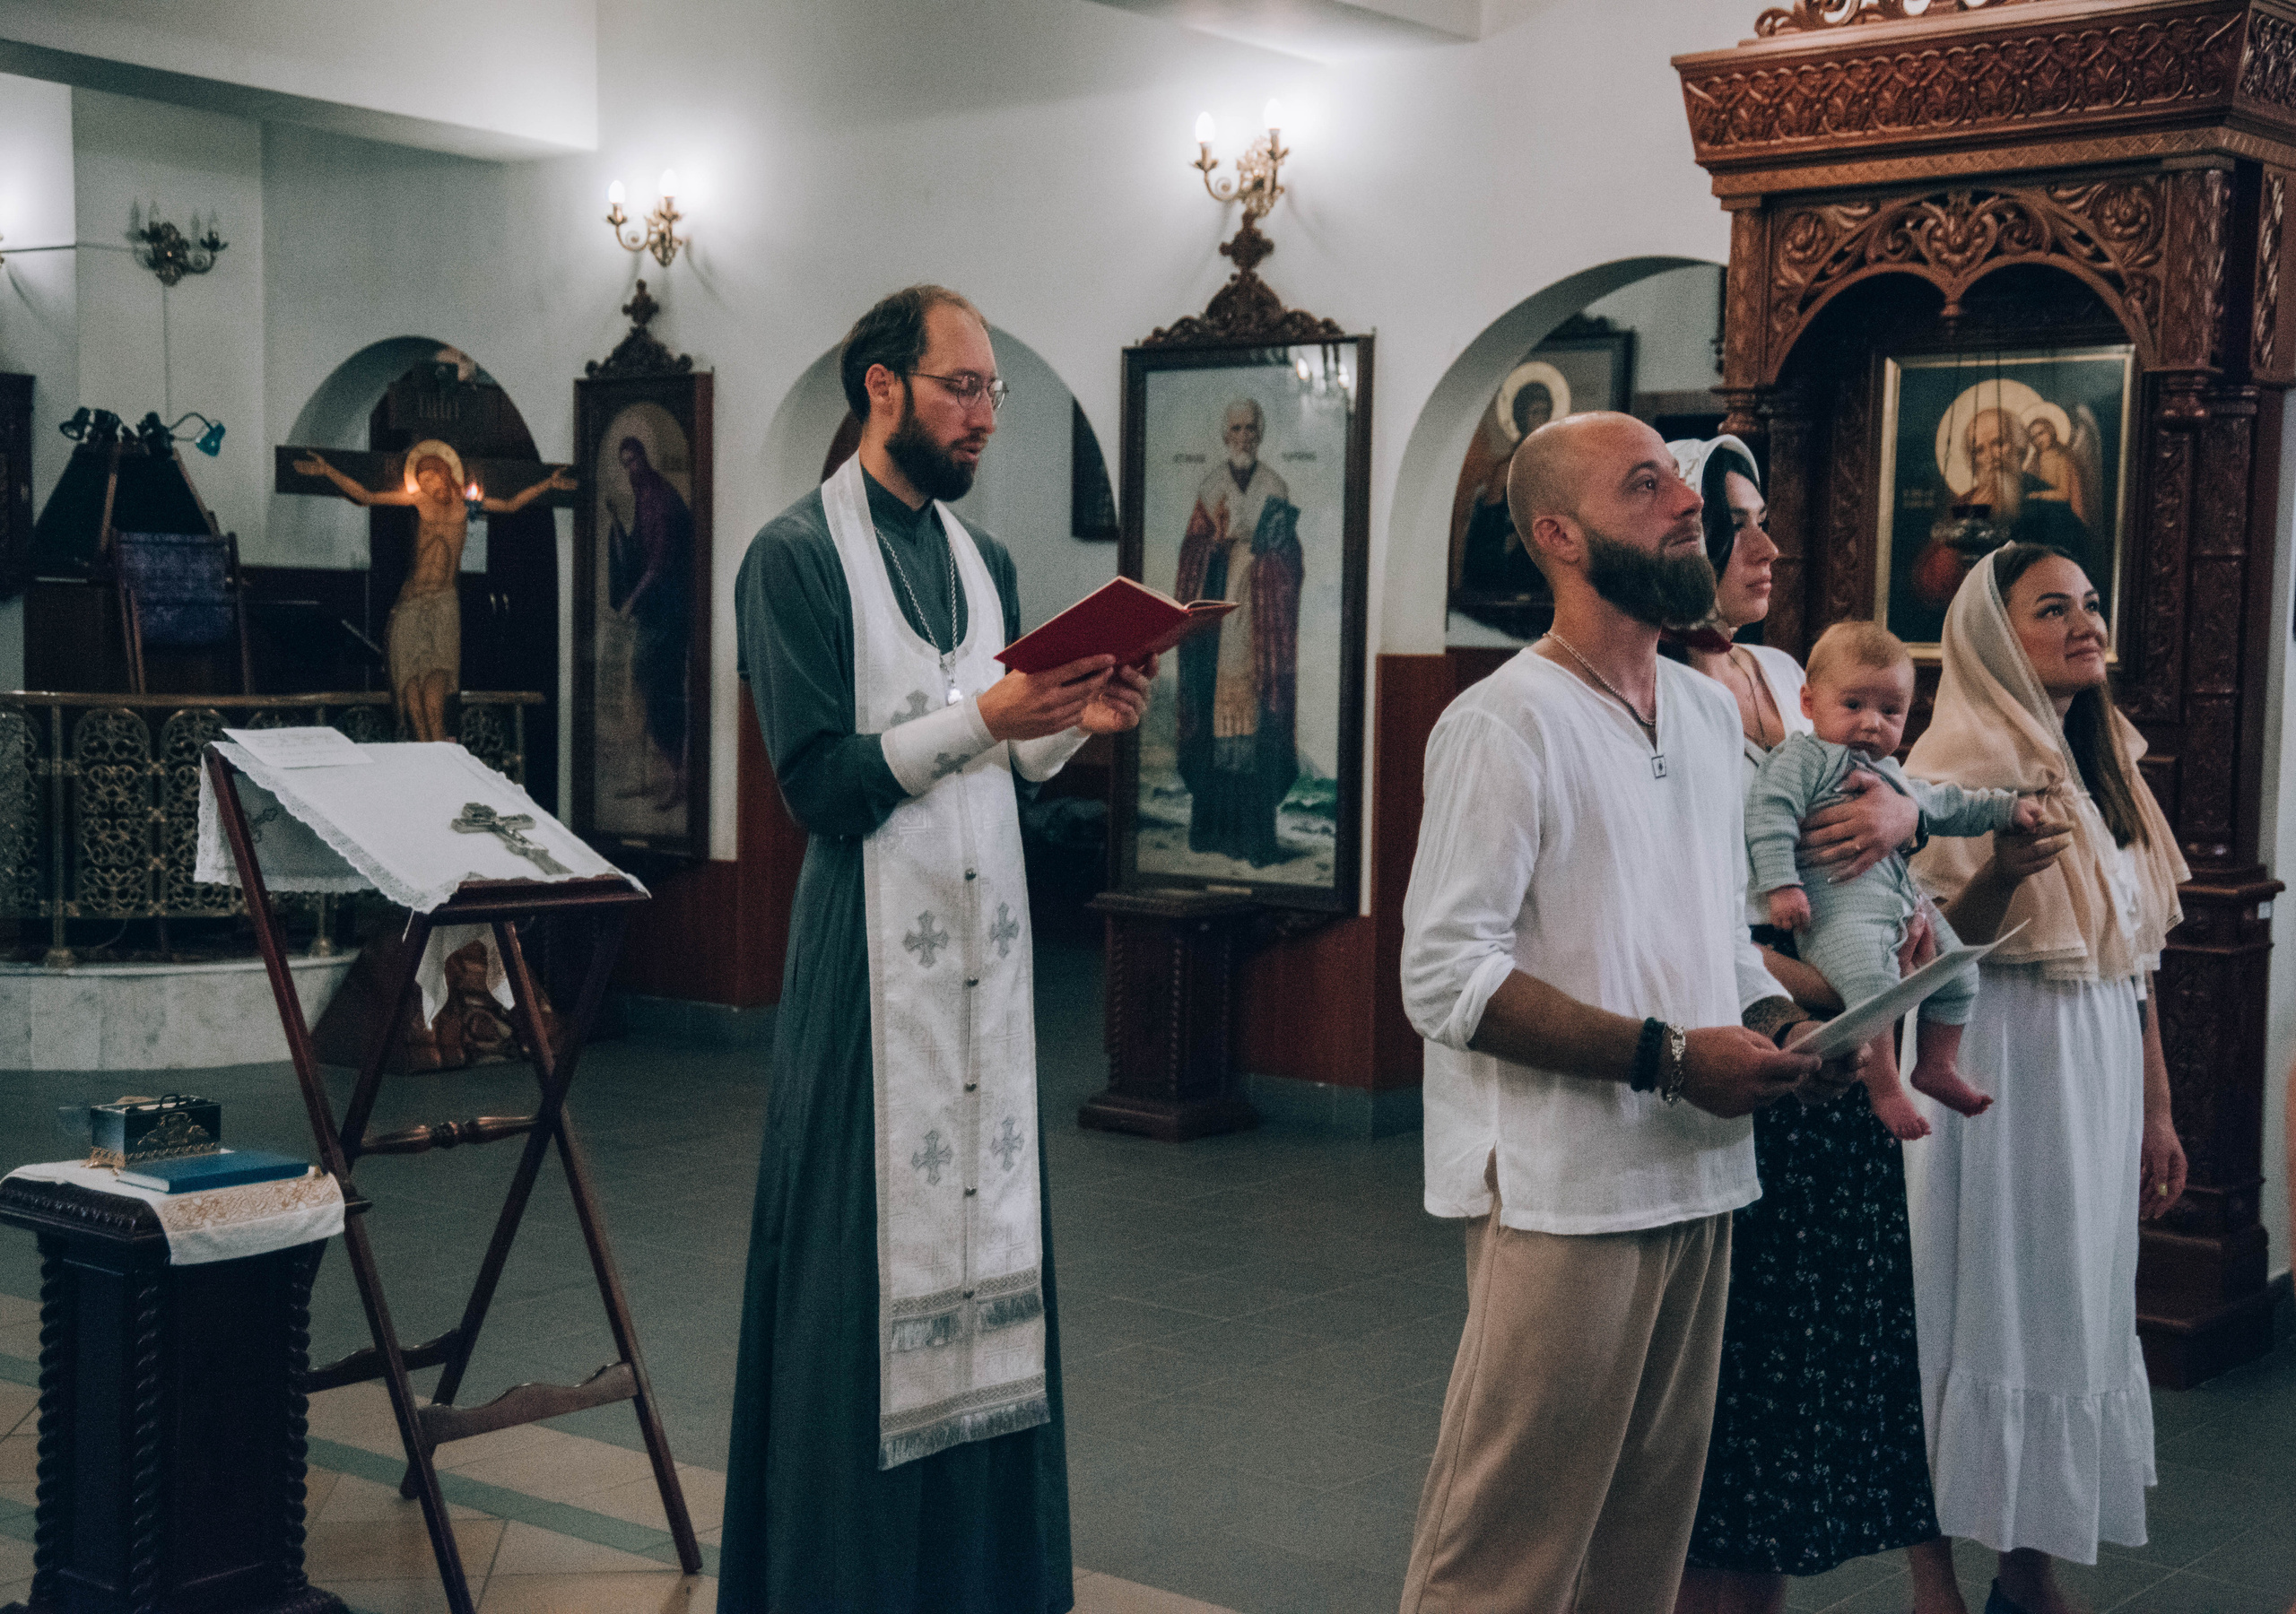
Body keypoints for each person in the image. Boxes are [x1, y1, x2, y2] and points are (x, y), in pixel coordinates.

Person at [718, 284, 1153, 1614]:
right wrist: (991, 716)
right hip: (868, 974)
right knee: (858, 1275)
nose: (984, 415)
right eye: (962, 387)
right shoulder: (793, 557)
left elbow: (1002, 758)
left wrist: (1075, 721)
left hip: (984, 975)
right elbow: (821, 786)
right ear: (882, 386)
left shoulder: (984, 560)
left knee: (991, 1257)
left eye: (991, 392)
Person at [1397, 412, 1866, 1612]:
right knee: (1502, 1559)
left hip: (1700, 1174)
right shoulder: (1504, 720)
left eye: (1679, 483)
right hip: (1564, 1192)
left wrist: (1774, 1024)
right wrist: (1668, 1057)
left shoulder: (1707, 715)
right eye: (1644, 485)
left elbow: (1709, 933)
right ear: (1560, 534)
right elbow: (1444, 977)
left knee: (1642, 1553)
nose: (1688, 503)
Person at [1663, 434, 1952, 1614]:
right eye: (1736, 525)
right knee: (1739, 1386)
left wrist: (1904, 847)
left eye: (1763, 520)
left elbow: (1874, 819)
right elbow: (1694, 904)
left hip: (1840, 1063)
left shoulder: (1789, 673)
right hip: (1756, 1048)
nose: (1768, 546)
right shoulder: (1663, 693)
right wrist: (1826, 985)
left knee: (1807, 1386)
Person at [1901, 542, 2187, 1614]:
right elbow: (1920, 950)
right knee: (1964, 1299)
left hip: (2096, 1065)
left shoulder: (2106, 761)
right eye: (2051, 608)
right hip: (1993, 1061)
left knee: (2067, 1303)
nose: (2084, 624)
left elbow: (2133, 960)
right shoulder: (1951, 761)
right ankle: (1931, 1575)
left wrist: (2155, 1109)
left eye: (2090, 604)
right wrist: (1995, 870)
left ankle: (2027, 1570)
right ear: (1991, 635)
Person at [1747, 620, 2043, 1141]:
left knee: (1960, 975)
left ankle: (1935, 1065)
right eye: (1853, 705)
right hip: (1837, 908)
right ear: (1809, 703)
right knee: (1875, 988)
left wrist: (2005, 809)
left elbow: (1945, 805)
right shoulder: (1799, 759)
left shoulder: (1891, 771)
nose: (1871, 723)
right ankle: (1883, 1086)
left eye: (1890, 711)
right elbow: (1770, 817)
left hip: (1904, 903)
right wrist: (1783, 886)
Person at [292, 443, 572, 741]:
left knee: (435, 696)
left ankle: (440, 757)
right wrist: (327, 470)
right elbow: (366, 496)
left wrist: (549, 484)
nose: (427, 485)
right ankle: (422, 756)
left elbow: (511, 504)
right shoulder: (418, 500)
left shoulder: (467, 505)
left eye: (432, 477)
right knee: (411, 695)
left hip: (443, 604)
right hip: (411, 603)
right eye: (422, 480)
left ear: (445, 474)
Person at [1173, 396, 1303, 865]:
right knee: (1214, 717)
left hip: (1259, 623)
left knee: (1256, 718)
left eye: (1251, 428)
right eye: (1236, 429)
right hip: (1217, 622)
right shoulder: (1211, 488)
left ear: (1260, 433)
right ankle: (1212, 830)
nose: (1244, 437)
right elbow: (1190, 558)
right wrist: (1216, 546)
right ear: (1225, 435)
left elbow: (1290, 560)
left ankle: (1253, 835)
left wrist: (1268, 561)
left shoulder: (1275, 486)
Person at [606, 435, 694, 811]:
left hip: (668, 612)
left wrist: (631, 602)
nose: (631, 469)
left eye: (634, 461)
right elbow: (638, 551)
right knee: (646, 685)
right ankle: (650, 777)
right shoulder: (644, 495)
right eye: (625, 463)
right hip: (657, 611)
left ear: (644, 458)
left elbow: (658, 563)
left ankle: (676, 779)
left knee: (663, 693)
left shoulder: (659, 498)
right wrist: (616, 524)